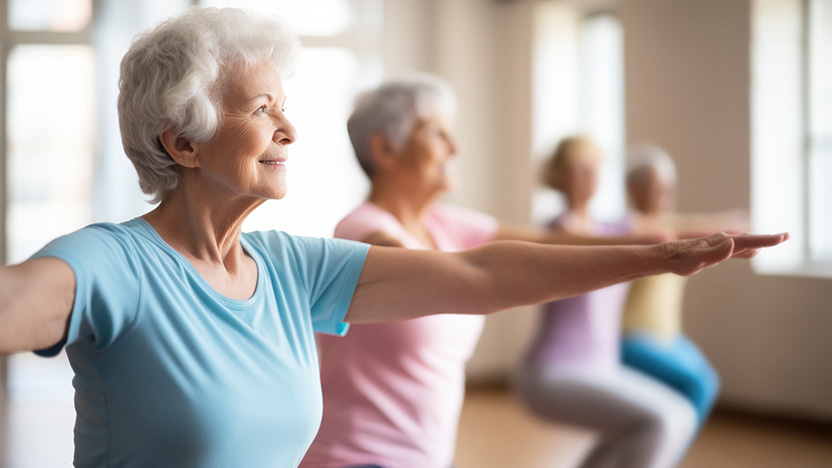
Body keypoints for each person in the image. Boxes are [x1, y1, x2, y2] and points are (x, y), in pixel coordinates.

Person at [0, 7, 786, 468]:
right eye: (263, 108)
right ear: (184, 142)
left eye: (285, 106)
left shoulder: (287, 269)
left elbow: (480, 274)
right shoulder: (114, 264)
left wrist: (661, 254)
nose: (291, 128)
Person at [301, 76, 661, 468]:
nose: (456, 148)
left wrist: (670, 249)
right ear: (385, 149)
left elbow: (556, 242)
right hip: (354, 459)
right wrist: (660, 256)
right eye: (437, 133)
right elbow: (480, 274)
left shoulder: (445, 225)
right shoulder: (361, 233)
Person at [514, 137, 703, 468]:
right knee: (663, 421)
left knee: (665, 420)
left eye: (596, 169)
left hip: (601, 368)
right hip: (554, 372)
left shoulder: (610, 227)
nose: (593, 177)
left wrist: (728, 233)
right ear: (560, 177)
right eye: (583, 170)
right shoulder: (557, 232)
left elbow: (672, 227)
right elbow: (599, 243)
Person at [621, 144, 748, 427]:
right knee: (698, 385)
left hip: (668, 338)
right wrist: (729, 231)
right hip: (631, 340)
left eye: (668, 188)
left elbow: (690, 226)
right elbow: (682, 232)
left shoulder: (671, 222)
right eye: (656, 188)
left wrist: (739, 226)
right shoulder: (626, 227)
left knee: (706, 383)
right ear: (633, 189)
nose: (664, 196)